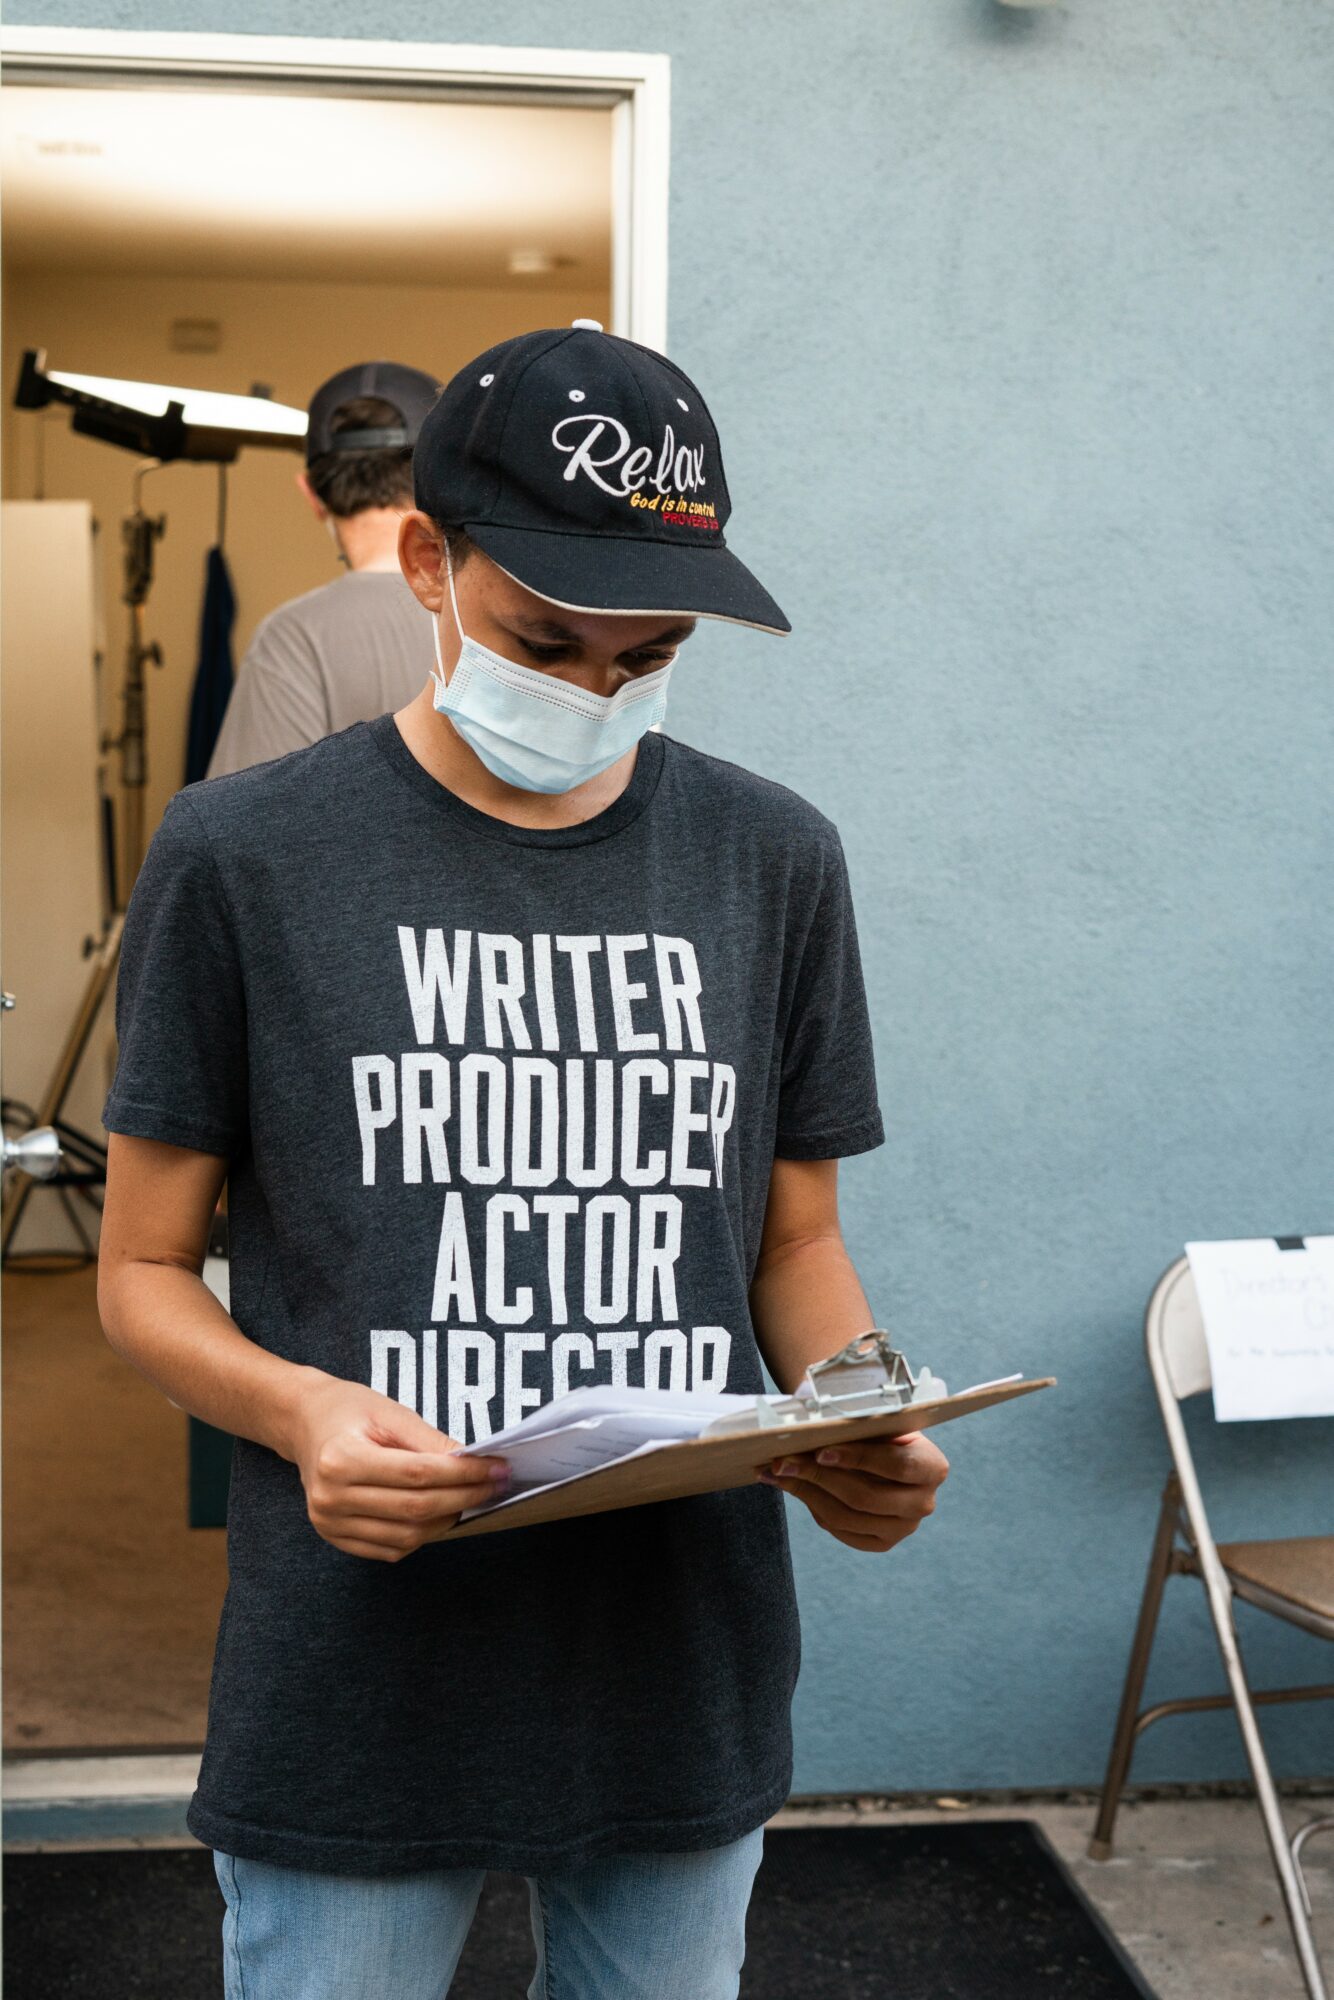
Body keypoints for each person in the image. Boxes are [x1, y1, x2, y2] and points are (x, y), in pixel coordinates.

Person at [98, 319, 950, 2000]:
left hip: (670, 1659)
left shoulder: (771, 859)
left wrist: (853, 1407)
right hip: (355, 1668)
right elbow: (133, 1274)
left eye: (644, 659)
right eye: (543, 641)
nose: (589, 693)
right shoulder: (240, 856)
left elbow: (790, 1242)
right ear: (425, 559)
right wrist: (301, 1409)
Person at [206, 359, 443, 776]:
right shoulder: (500, 619)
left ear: (311, 493)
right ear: (441, 484)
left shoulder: (294, 639)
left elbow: (247, 828)